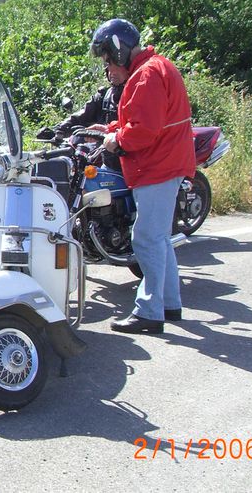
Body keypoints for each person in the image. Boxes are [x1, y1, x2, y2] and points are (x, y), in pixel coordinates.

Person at [91, 18, 196, 334]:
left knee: (146, 239)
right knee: (160, 239)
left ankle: (149, 313)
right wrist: (109, 129)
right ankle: (169, 303)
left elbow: (144, 131)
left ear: (119, 50)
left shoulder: (146, 75)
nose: (108, 65)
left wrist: (117, 141)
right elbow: (145, 119)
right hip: (165, 163)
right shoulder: (153, 68)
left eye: (108, 58)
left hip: (158, 166)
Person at [51, 63, 129, 141]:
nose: (112, 73)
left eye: (117, 69)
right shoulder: (103, 95)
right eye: (109, 69)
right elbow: (82, 115)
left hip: (122, 146)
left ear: (128, 71)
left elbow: (135, 128)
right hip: (99, 148)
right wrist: (58, 129)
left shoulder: (135, 97)